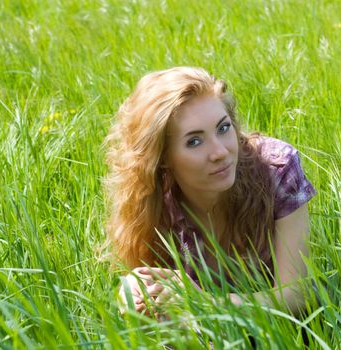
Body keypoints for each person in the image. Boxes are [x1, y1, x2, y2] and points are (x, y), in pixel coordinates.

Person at [104, 67, 316, 318]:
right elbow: (165, 304)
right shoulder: (154, 202)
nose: (220, 152)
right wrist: (133, 293)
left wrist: (204, 303)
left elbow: (297, 294)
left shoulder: (277, 170)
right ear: (162, 159)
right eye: (194, 141)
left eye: (223, 128)